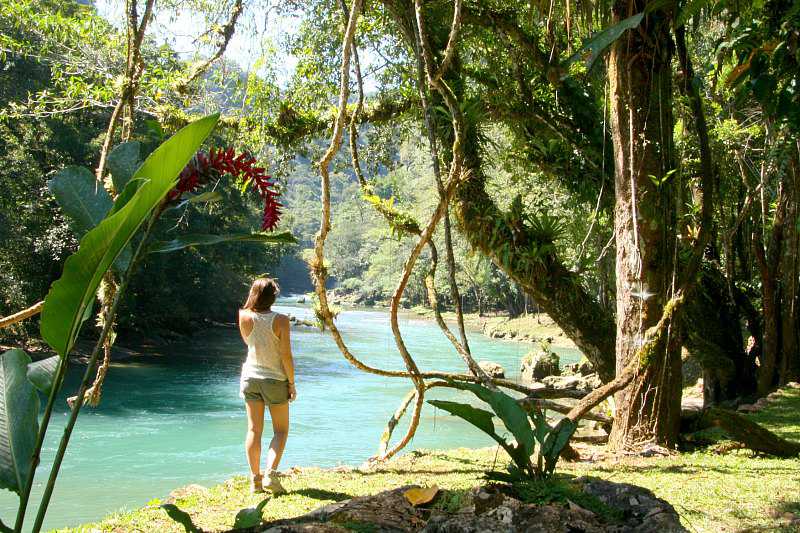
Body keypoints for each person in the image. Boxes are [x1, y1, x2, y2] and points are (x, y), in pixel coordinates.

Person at [238, 277, 296, 494]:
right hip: (274, 379)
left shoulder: (243, 316)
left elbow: (250, 343)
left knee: (254, 429)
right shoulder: (281, 320)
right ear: (273, 297)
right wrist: (291, 383)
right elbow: (286, 356)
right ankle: (270, 474)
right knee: (281, 431)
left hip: (250, 377)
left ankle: (255, 480)